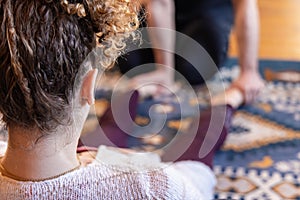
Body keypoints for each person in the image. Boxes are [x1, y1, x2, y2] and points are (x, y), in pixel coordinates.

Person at [0, 0, 244, 199]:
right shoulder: (156, 187)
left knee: (105, 133)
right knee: (198, 149)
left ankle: (136, 91)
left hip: (60, 155)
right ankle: (228, 101)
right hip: (134, 172)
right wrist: (129, 166)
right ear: (89, 87)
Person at [118, 0, 265, 103]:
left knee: (194, 71)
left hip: (207, 11)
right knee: (131, 64)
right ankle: (167, 65)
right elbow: (159, 3)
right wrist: (164, 70)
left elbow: (246, 3)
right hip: (162, 10)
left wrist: (249, 71)